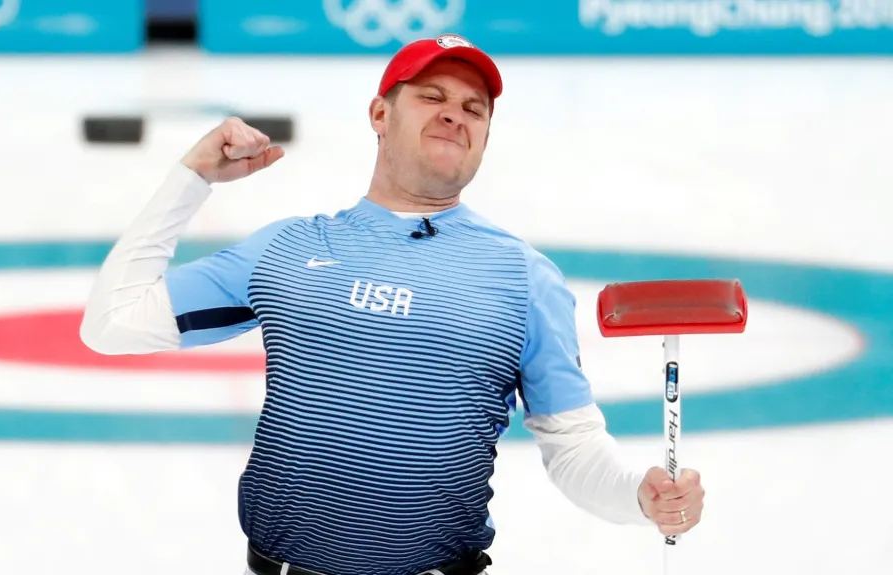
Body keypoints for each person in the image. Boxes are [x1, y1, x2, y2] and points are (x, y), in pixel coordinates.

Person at [80, 34, 705, 575]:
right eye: (432, 97)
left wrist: (638, 495)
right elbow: (112, 324)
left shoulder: (523, 277)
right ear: (380, 113)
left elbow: (572, 446)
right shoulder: (287, 248)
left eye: (473, 108)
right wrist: (192, 177)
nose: (454, 115)